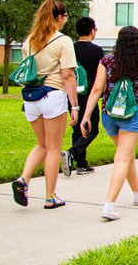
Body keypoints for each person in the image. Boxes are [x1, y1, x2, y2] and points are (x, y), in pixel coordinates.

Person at [80, 26, 138, 220]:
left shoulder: (106, 61)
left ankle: (137, 192)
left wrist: (86, 116)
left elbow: (97, 89)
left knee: (126, 154)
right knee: (122, 158)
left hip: (109, 113)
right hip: (133, 114)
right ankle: (109, 205)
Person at [12, 0, 79, 209]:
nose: (65, 21)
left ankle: (23, 179)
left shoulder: (29, 42)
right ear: (59, 17)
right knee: (53, 148)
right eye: (65, 17)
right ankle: (50, 197)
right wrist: (74, 106)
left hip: (31, 98)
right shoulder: (63, 41)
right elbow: (68, 75)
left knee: (41, 144)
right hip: (53, 96)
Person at [61, 16, 103, 177]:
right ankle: (72, 152)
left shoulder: (70, 48)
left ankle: (81, 164)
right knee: (93, 128)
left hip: (72, 93)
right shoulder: (97, 51)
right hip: (90, 94)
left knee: (76, 127)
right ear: (92, 31)